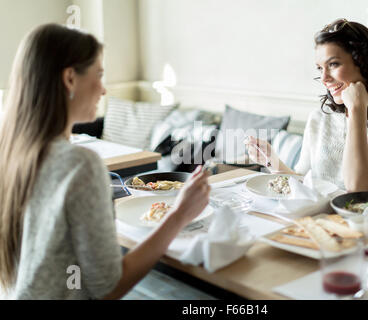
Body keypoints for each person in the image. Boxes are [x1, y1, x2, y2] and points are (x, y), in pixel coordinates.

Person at [0, 24, 210, 300]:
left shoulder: (10, 151)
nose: (103, 89)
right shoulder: (79, 164)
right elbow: (108, 288)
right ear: (70, 79)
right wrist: (179, 215)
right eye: (99, 75)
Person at [246, 19, 368, 192]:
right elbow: (303, 185)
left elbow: (358, 190)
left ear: (364, 64)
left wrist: (356, 110)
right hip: (315, 220)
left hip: (365, 221)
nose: (324, 78)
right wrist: (271, 161)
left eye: (333, 64)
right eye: (320, 68)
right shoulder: (320, 117)